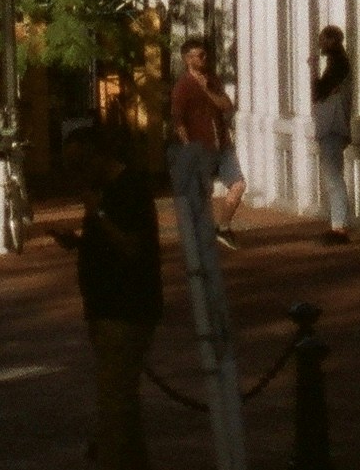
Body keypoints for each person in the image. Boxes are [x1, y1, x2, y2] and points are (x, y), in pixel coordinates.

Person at [66, 123, 162, 470]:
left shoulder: (127, 189)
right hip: (106, 308)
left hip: (125, 309)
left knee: (115, 404)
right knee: (122, 403)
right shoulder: (107, 190)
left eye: (81, 165)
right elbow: (110, 244)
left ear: (99, 157)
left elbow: (132, 246)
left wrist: (99, 215)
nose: (79, 176)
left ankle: (114, 460)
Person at [170, 39, 247, 249]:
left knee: (238, 185)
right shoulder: (182, 87)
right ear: (188, 59)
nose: (204, 59)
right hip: (200, 146)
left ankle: (223, 227)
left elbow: (227, 105)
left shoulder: (212, 80)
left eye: (205, 55)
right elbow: (179, 121)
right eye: (199, 56)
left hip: (222, 144)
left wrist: (208, 91)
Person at [311, 25, 354, 242]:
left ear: (332, 41)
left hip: (332, 126)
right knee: (332, 177)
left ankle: (340, 226)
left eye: (323, 40)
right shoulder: (336, 62)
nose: (320, 44)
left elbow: (319, 92)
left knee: (334, 177)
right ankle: (337, 223)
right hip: (332, 125)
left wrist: (313, 73)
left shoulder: (338, 63)